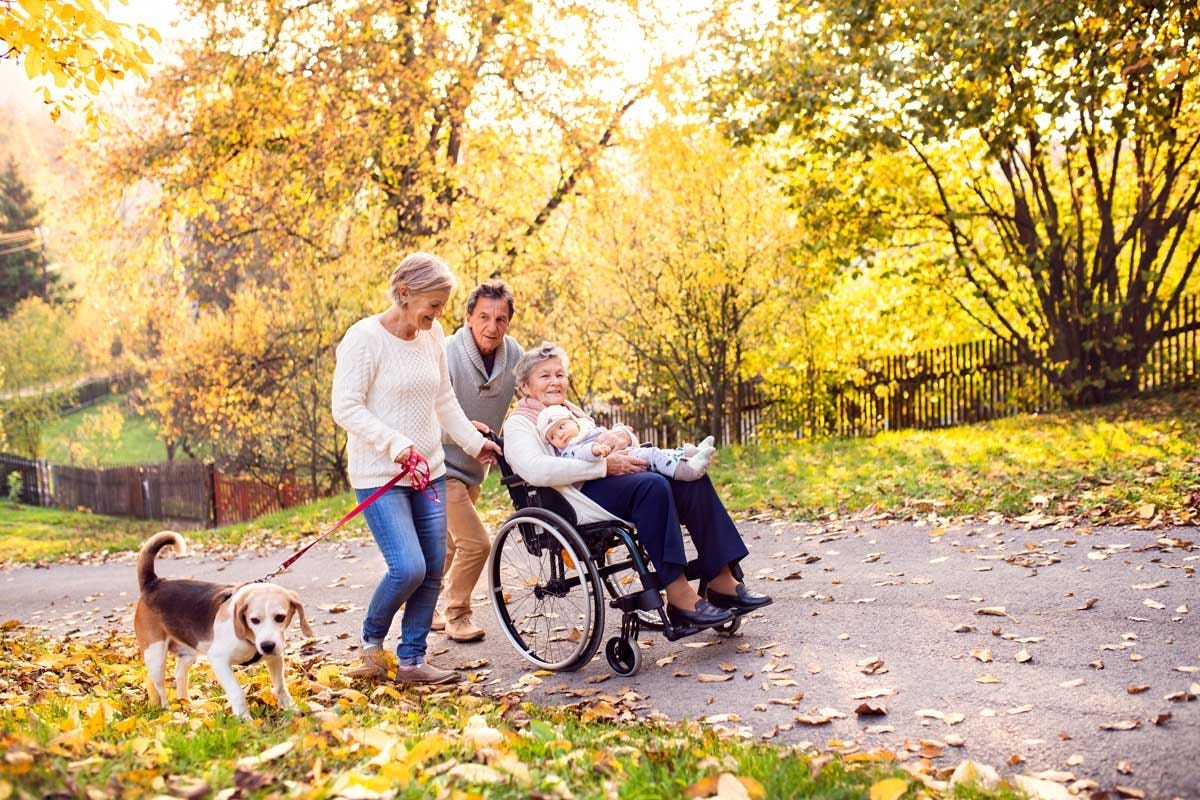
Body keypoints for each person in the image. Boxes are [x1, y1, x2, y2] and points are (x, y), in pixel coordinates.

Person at [501, 342, 772, 628]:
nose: (555, 381)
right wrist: (603, 466)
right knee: (651, 487)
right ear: (525, 386)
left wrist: (621, 438)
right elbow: (536, 471)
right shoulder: (520, 423)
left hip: (610, 479)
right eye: (545, 376)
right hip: (575, 497)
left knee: (691, 479)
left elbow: (607, 439)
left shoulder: (572, 412)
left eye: (560, 374)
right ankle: (679, 595)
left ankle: (721, 579)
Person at [331, 252, 502, 684]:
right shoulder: (365, 338)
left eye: (443, 306)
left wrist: (473, 442)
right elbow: (345, 406)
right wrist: (394, 444)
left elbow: (443, 399)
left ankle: (411, 661)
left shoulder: (433, 336)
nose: (438, 314)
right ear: (405, 294)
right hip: (380, 476)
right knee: (407, 567)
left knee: (431, 565)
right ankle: (372, 645)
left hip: (430, 471)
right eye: (434, 304)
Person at [435, 279, 524, 643]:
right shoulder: (445, 353)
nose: (492, 326)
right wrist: (461, 430)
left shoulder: (513, 354)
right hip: (440, 467)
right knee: (476, 543)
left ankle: (420, 609)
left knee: (446, 547)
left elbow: (529, 393)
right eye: (484, 316)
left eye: (501, 319)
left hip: (475, 468)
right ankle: (457, 614)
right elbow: (422, 416)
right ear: (468, 316)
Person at [536, 403, 716, 481]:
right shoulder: (571, 449)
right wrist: (596, 450)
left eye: (561, 427)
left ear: (573, 422)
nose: (559, 436)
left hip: (628, 452)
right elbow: (582, 454)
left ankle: (688, 454)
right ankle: (688, 470)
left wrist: (620, 431)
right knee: (652, 455)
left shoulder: (586, 429)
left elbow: (613, 434)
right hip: (615, 468)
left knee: (657, 452)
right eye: (552, 437)